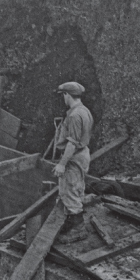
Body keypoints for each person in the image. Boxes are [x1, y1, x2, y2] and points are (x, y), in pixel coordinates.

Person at [52, 81, 94, 243]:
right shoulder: (84, 111)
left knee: (69, 190)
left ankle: (78, 230)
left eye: (63, 95)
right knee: (76, 187)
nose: (63, 98)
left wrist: (62, 164)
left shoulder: (75, 115)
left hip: (74, 156)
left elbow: (72, 143)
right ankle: (71, 223)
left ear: (67, 95)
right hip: (82, 153)